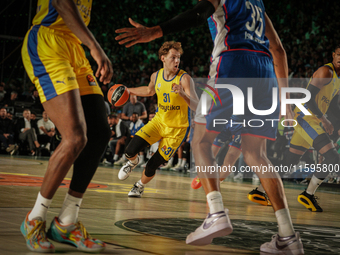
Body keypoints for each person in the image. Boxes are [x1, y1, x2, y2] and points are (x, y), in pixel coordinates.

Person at [115, 1, 303, 254]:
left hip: (233, 63)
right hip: (266, 73)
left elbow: (198, 13)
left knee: (200, 141)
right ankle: (288, 236)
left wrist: (155, 31)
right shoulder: (257, 5)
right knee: (257, 155)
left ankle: (216, 212)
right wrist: (286, 101)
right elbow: (278, 50)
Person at [20, 0, 113, 253]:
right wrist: (94, 46)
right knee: (75, 137)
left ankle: (66, 222)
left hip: (73, 46)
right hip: (48, 41)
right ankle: (34, 219)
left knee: (99, 134)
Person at [117, 41, 199, 198]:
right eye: (173, 57)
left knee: (151, 165)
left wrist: (182, 93)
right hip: (158, 122)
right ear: (163, 58)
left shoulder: (184, 79)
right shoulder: (156, 75)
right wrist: (128, 90)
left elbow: (197, 106)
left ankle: (139, 186)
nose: (177, 61)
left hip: (177, 129)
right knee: (130, 150)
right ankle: (133, 162)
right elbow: (149, 91)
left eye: (179, 58)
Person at [287, 46, 340, 212]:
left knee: (289, 161)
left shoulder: (338, 78)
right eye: (339, 55)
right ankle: (308, 194)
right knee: (333, 159)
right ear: (333, 55)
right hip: (306, 117)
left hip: (313, 119)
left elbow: (332, 106)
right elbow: (308, 98)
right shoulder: (326, 72)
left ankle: (260, 191)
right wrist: (324, 120)